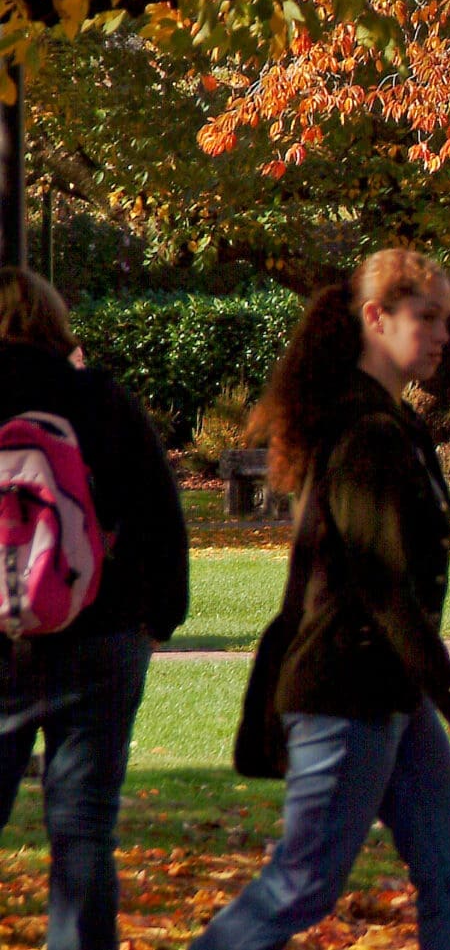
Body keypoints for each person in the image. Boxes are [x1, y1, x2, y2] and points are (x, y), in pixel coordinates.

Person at [199, 251, 450, 950]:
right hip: (346, 690)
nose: (443, 333)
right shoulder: (365, 433)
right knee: (304, 883)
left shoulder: (388, 423)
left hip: (391, 689)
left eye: (445, 317)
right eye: (427, 317)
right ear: (376, 318)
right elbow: (379, 581)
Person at [0, 269, 185, 950]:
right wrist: (158, 616)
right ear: (55, 322)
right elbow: (160, 513)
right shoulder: (100, 400)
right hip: (103, 634)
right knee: (83, 829)